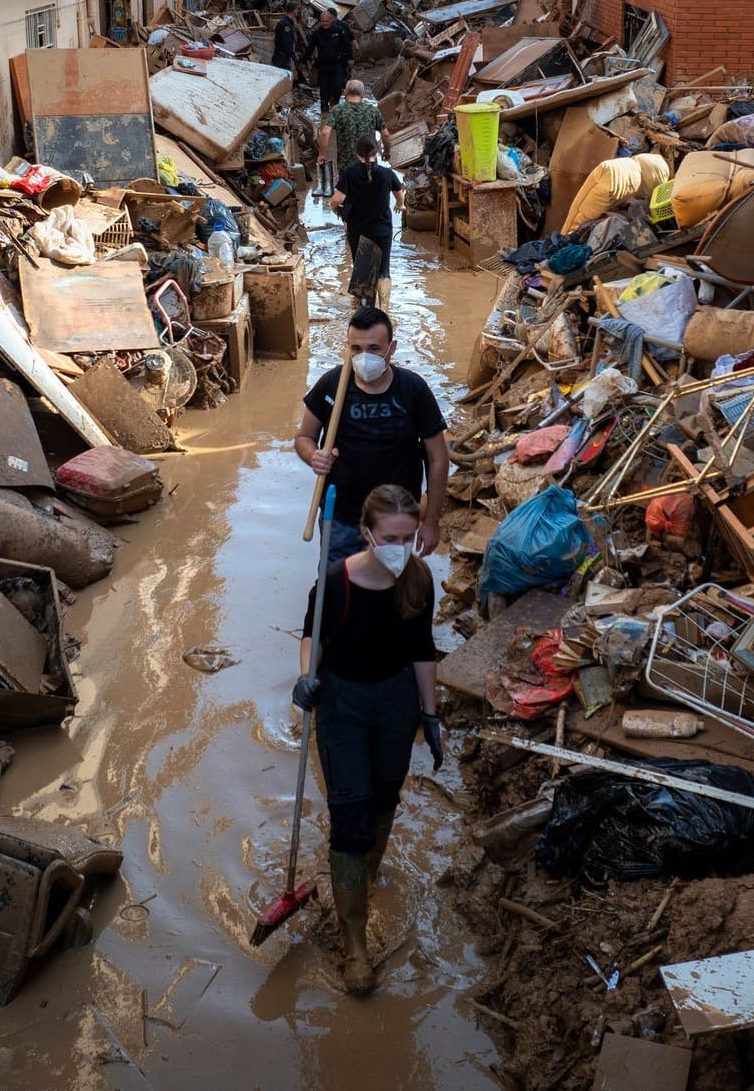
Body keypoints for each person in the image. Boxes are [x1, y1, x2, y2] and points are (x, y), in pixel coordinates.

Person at [292, 484, 443, 994]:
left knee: (384, 800)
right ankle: (354, 940)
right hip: (344, 705)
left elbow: (423, 649)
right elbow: (311, 634)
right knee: (351, 813)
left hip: (396, 703)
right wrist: (305, 677)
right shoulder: (338, 581)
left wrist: (432, 716)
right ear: (367, 534)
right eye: (390, 537)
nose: (400, 546)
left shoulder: (418, 580)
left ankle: (364, 875)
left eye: (408, 536)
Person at [295, 306, 448, 562]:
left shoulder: (413, 390)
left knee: (393, 591)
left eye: (374, 349)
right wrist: (314, 457)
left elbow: (438, 459)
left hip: (396, 523)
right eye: (356, 349)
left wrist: (431, 522)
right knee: (337, 589)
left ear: (392, 348)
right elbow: (303, 438)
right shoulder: (331, 385)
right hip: (342, 517)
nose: (364, 357)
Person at [331, 136, 404, 311]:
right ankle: (384, 310)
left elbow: (337, 199)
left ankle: (364, 307)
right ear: (376, 152)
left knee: (362, 267)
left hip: (358, 229)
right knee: (384, 270)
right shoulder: (387, 173)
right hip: (382, 229)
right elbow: (399, 193)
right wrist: (400, 204)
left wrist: (335, 209)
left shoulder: (349, 173)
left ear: (357, 153)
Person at [318, 79, 391, 183]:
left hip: (346, 166)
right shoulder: (372, 110)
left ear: (344, 93)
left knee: (346, 195)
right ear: (363, 94)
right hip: (369, 163)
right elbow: (386, 135)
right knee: (369, 194)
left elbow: (325, 133)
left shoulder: (337, 110)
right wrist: (386, 151)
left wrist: (321, 154)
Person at [308, 7, 353, 114]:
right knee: (324, 87)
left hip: (338, 64)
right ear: (320, 21)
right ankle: (324, 107)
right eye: (322, 21)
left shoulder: (339, 30)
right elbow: (310, 48)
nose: (324, 24)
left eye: (327, 21)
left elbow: (347, 45)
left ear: (331, 20)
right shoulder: (317, 34)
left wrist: (350, 58)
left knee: (338, 85)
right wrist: (303, 61)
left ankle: (335, 103)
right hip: (323, 64)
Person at [272, 5, 297, 74]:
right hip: (282, 58)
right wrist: (294, 58)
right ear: (294, 11)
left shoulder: (284, 22)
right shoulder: (286, 24)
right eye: (297, 9)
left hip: (280, 56)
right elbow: (287, 44)